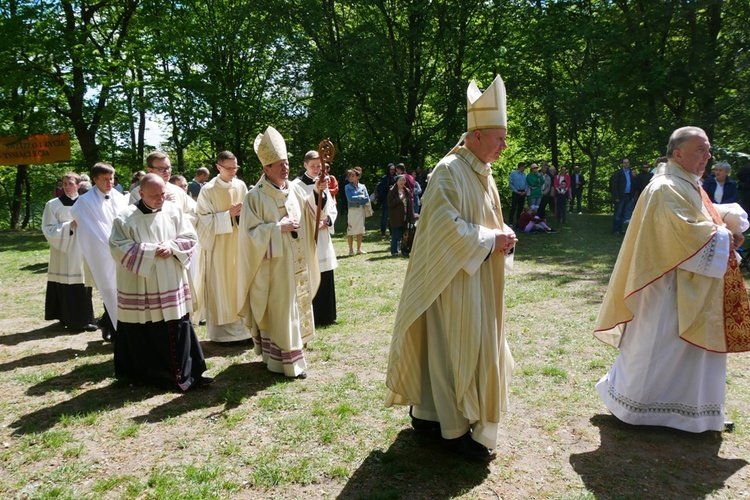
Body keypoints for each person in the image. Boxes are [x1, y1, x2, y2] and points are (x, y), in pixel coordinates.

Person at [385, 74, 517, 461]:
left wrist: (503, 234)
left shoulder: (482, 172)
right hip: (451, 280)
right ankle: (453, 429)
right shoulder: (449, 170)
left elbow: (486, 219)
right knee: (453, 351)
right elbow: (443, 228)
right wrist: (492, 239)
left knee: (460, 350)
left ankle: (429, 416)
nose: (503, 147)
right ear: (476, 135)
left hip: (476, 277)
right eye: (499, 138)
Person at [594, 126, 750, 433]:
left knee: (685, 354)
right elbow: (682, 232)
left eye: (708, 150)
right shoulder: (665, 186)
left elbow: (698, 217)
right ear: (677, 154)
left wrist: (726, 214)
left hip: (689, 284)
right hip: (667, 287)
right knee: (658, 347)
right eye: (700, 150)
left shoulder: (686, 183)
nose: (707, 157)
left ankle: (693, 413)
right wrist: (725, 236)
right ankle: (639, 410)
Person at [237, 126, 329, 379]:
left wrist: (318, 193)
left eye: (286, 163)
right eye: (278, 164)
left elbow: (311, 213)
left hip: (295, 263)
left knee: (293, 307)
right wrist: (278, 228)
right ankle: (287, 363)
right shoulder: (254, 197)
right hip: (272, 268)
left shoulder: (296, 189)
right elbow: (249, 235)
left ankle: (290, 354)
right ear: (266, 169)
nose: (284, 168)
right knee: (279, 310)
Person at [110, 174, 209, 391]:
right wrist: (151, 250)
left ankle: (188, 372)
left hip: (170, 280)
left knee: (177, 324)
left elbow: (190, 238)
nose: (160, 198)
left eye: (163, 193)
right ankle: (151, 375)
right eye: (154, 195)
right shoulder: (125, 217)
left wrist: (172, 247)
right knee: (147, 328)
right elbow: (118, 247)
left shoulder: (174, 211)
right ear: (141, 193)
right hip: (141, 284)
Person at [194, 151, 251, 343]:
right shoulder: (208, 190)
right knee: (222, 286)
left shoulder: (241, 185)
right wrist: (228, 215)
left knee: (240, 284)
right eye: (229, 168)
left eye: (235, 167)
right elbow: (202, 220)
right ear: (218, 167)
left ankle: (245, 332)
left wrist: (242, 214)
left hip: (239, 244)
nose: (233, 171)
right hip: (219, 247)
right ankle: (223, 335)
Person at [70, 162, 129, 341]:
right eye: (105, 179)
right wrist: (112, 247)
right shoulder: (85, 202)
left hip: (125, 251)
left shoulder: (120, 197)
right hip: (104, 253)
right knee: (110, 290)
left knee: (126, 290)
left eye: (111, 178)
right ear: (95, 179)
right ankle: (116, 328)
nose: (110, 182)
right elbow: (90, 230)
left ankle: (127, 328)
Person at [42, 172, 97, 332]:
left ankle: (85, 319)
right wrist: (68, 226)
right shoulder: (52, 205)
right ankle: (66, 317)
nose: (66, 187)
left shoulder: (86, 203)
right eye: (64, 183)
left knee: (83, 284)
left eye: (70, 183)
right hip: (63, 251)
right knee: (65, 284)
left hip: (82, 250)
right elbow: (48, 229)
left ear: (79, 185)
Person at [292, 150, 339, 327]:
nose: (316, 169)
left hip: (323, 235)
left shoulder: (323, 182)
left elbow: (332, 206)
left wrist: (327, 220)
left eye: (319, 166)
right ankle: (312, 315)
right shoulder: (295, 185)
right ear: (305, 165)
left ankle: (327, 315)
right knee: (310, 272)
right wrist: (316, 194)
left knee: (325, 273)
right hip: (308, 235)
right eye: (312, 166)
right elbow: (300, 208)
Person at [130, 151, 195, 217]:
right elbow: (135, 220)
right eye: (161, 169)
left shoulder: (178, 191)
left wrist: (178, 218)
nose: (166, 172)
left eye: (168, 168)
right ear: (150, 170)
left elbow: (194, 213)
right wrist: (162, 205)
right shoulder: (137, 193)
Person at [387, 174, 415, 256]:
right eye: (400, 180)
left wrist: (412, 216)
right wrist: (400, 198)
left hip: (405, 216)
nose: (402, 182)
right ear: (397, 181)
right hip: (395, 217)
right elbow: (390, 203)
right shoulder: (392, 191)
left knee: (404, 235)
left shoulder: (407, 191)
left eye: (403, 180)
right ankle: (394, 251)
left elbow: (410, 204)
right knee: (395, 234)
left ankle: (403, 250)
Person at [345, 168, 369, 255]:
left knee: (360, 230)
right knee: (350, 230)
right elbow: (350, 199)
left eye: (352, 175)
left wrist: (358, 198)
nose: (350, 177)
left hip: (360, 210)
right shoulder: (347, 187)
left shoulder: (362, 186)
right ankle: (351, 250)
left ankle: (359, 249)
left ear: (357, 176)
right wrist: (360, 197)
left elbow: (367, 199)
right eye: (349, 176)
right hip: (352, 210)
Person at [610, 157, 633, 234]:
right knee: (618, 213)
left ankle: (620, 229)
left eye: (627, 162)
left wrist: (632, 196)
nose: (626, 164)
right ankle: (615, 229)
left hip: (628, 195)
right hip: (620, 196)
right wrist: (616, 196)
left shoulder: (630, 173)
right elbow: (614, 185)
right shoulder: (618, 173)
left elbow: (633, 184)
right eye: (624, 162)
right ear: (622, 164)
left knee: (624, 213)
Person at [376, 163, 396, 237]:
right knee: (385, 216)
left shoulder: (395, 177)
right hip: (386, 199)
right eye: (391, 169)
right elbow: (383, 188)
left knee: (393, 216)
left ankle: (392, 232)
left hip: (394, 199)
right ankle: (383, 232)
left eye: (393, 169)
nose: (392, 171)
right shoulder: (384, 178)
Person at [508, 162, 527, 227]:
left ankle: (518, 222)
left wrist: (525, 191)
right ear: (521, 166)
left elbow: (526, 183)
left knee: (520, 208)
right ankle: (511, 222)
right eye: (524, 166)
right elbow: (511, 183)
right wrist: (516, 191)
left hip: (523, 192)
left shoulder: (524, 175)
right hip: (516, 192)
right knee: (513, 207)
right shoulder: (513, 174)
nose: (524, 168)